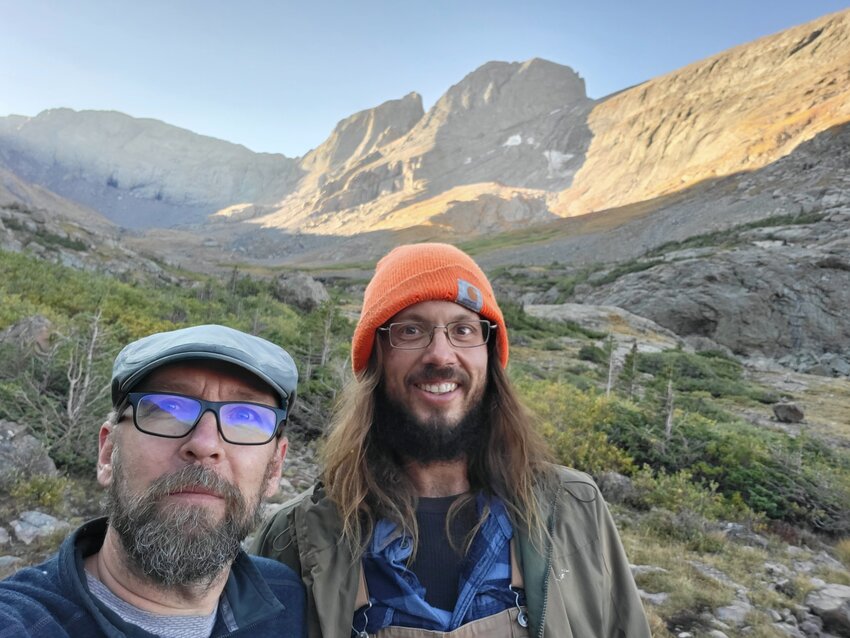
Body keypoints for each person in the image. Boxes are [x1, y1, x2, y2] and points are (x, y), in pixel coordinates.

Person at [252, 243, 651, 637]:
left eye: (463, 330)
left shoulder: (575, 509)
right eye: (411, 330)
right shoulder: (296, 536)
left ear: (489, 356)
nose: (441, 355)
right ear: (375, 359)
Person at [0, 324, 306, 637]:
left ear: (275, 467)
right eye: (169, 407)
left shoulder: (292, 599)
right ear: (108, 454)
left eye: (246, 417)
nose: (205, 445)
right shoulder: (20, 622)